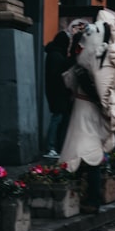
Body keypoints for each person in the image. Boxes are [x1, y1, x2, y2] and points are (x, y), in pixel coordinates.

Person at [60, 11, 115, 215]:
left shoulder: (93, 59)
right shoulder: (106, 55)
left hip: (84, 110)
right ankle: (86, 197)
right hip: (91, 110)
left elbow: (70, 82)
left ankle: (88, 199)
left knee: (85, 154)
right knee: (87, 154)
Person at [43, 30, 72, 158]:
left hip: (56, 93)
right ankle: (50, 147)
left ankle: (54, 146)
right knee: (57, 119)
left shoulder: (54, 54)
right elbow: (56, 76)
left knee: (59, 118)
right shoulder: (56, 56)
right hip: (58, 93)